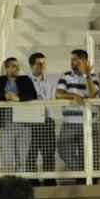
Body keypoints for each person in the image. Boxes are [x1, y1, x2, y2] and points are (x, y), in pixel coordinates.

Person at [0, 57, 39, 173]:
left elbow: (33, 95)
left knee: (22, 158)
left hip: (24, 124)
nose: (16, 68)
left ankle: (21, 180)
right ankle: (9, 180)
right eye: (13, 66)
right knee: (7, 158)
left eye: (17, 66)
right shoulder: (0, 80)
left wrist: (18, 98)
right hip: (6, 125)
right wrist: (5, 96)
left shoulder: (25, 79)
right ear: (6, 68)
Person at [55, 49, 100, 177]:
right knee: (64, 150)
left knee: (88, 153)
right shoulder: (66, 76)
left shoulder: (93, 76)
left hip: (89, 122)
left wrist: (87, 75)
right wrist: (74, 95)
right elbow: (58, 94)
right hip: (69, 123)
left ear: (83, 60)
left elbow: (92, 93)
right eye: (71, 59)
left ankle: (86, 179)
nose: (72, 62)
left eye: (75, 59)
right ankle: (80, 173)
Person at [26, 52, 58, 183]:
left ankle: (49, 181)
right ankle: (32, 182)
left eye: (44, 63)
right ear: (31, 65)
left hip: (47, 120)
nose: (42, 66)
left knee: (49, 153)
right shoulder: (25, 81)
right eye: (39, 64)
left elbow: (53, 98)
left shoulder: (51, 81)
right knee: (31, 153)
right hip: (31, 121)